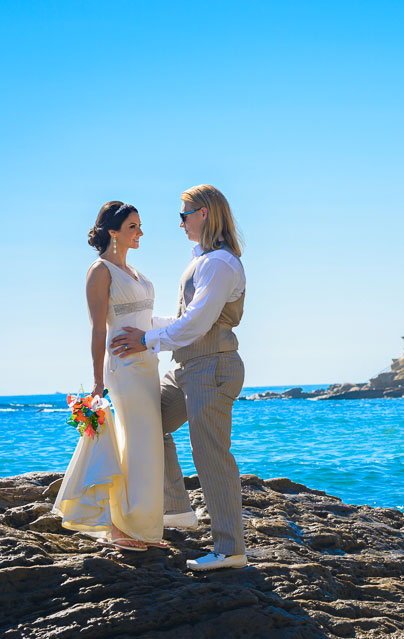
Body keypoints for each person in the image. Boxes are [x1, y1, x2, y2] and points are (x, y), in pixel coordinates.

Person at [111, 184, 247, 571]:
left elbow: (198, 323)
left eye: (183, 214)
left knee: (211, 456)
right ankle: (177, 509)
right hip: (187, 368)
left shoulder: (219, 263)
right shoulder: (202, 260)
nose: (180, 222)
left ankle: (230, 549)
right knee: (149, 420)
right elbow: (186, 321)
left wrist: (147, 339)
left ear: (203, 213)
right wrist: (137, 325)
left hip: (213, 367)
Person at [53, 202, 166, 552]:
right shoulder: (99, 271)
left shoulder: (135, 273)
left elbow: (147, 321)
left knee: (147, 447)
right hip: (123, 370)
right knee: (132, 444)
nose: (141, 233)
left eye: (140, 226)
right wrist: (98, 381)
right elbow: (98, 330)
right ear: (113, 231)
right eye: (134, 226)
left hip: (148, 366)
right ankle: (119, 527)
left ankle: (145, 529)